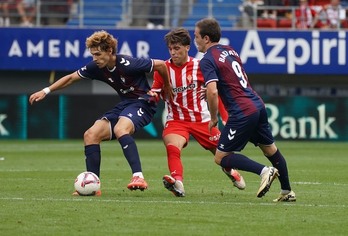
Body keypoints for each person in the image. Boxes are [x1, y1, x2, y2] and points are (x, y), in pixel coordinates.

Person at [29, 30, 173, 196]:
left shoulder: (128, 63)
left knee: (121, 129)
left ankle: (138, 176)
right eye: (92, 55)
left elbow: (161, 65)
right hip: (126, 105)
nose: (94, 59)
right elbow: (70, 78)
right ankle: (92, 185)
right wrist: (46, 91)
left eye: (98, 54)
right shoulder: (96, 67)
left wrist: (166, 86)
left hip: (143, 104)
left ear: (110, 51)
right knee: (91, 134)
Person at [194, 18, 296, 202]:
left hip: (242, 111)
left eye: (196, 37)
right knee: (270, 149)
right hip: (257, 104)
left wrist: (214, 117)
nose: (195, 41)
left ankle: (264, 171)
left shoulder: (207, 59)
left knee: (221, 158)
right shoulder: (230, 50)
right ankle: (286, 191)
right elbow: (232, 79)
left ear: (206, 38)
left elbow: (212, 91)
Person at [149, 28, 245, 197]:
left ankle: (231, 171)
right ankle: (177, 183)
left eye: (177, 48)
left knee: (222, 156)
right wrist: (153, 96)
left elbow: (217, 91)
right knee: (172, 147)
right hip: (176, 120)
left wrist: (224, 116)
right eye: (171, 49)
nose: (173, 52)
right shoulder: (163, 69)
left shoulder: (200, 67)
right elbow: (155, 92)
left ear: (187, 47)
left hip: (202, 120)